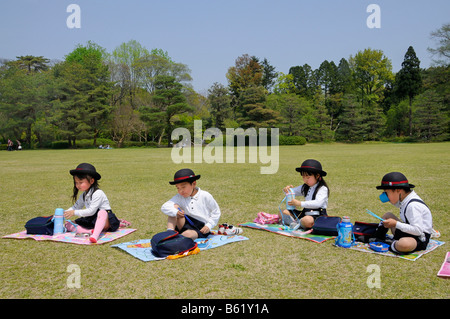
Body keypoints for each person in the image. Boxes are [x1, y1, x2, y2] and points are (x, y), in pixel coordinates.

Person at [374, 172, 433, 254]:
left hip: (418, 238)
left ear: (398, 190)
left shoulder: (413, 206)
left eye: (386, 192)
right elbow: (395, 202)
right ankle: (378, 236)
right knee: (388, 215)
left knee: (404, 244)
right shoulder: (405, 199)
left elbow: (418, 230)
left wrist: (395, 224)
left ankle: (391, 244)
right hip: (407, 232)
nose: (385, 195)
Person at [63, 163, 120, 243]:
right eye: (76, 182)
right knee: (68, 224)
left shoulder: (98, 193)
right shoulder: (83, 195)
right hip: (91, 219)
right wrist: (63, 213)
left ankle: (95, 235)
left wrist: (74, 213)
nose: (78, 185)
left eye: (81, 182)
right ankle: (90, 232)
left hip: (105, 220)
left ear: (92, 181)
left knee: (102, 212)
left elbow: (91, 211)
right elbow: (76, 207)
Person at [161, 168, 221, 239]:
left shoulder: (205, 195)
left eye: (183, 187)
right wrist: (176, 212)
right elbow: (164, 207)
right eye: (178, 188)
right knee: (174, 208)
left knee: (188, 235)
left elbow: (216, 212)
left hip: (200, 228)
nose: (180, 191)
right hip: (184, 223)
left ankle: (178, 239)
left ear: (193, 184)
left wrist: (209, 225)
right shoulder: (179, 197)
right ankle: (170, 233)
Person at [281, 159, 329, 230]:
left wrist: (300, 203)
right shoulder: (305, 187)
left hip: (317, 216)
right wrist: (287, 190)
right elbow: (292, 192)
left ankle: (297, 223)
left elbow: (318, 203)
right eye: (303, 177)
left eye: (308, 177)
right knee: (283, 212)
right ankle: (298, 223)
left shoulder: (323, 189)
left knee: (307, 221)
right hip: (305, 214)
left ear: (317, 175)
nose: (305, 180)